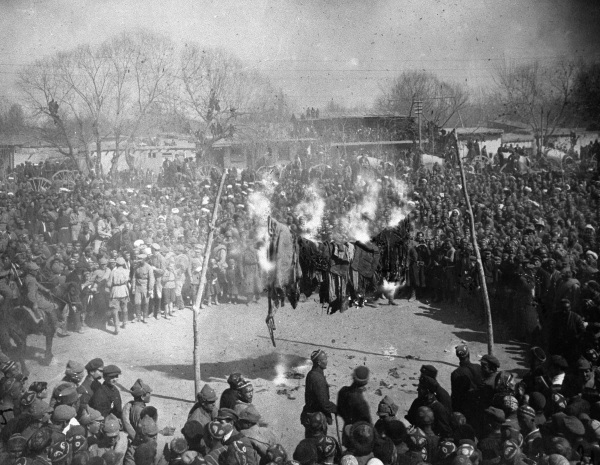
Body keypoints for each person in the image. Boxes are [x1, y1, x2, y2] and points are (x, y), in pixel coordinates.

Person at [301, 349, 337, 434]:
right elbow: (324, 403)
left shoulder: (312, 373)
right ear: (319, 362)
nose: (327, 361)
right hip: (317, 419)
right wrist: (336, 409)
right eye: (325, 359)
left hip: (311, 416)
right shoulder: (318, 379)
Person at [337, 366, 372, 433]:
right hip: (359, 433)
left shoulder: (343, 391)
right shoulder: (361, 403)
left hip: (347, 429)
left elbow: (339, 410)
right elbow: (368, 424)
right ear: (365, 382)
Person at [107, 256, 130, 334]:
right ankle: (124, 323)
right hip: (124, 290)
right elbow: (127, 281)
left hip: (115, 291)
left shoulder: (113, 272)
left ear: (116, 263)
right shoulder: (127, 271)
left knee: (115, 309)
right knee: (124, 307)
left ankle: (116, 327)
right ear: (123, 264)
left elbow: (109, 284)